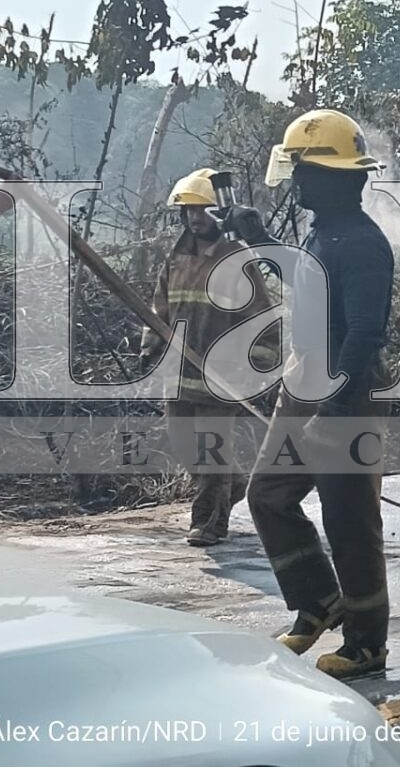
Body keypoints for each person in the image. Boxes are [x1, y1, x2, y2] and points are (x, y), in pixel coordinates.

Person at [222, 109, 394, 680]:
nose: (294, 181)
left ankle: (367, 643)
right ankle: (319, 601)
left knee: (348, 518)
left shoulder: (364, 245)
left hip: (340, 391)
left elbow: (366, 332)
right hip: (304, 379)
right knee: (267, 495)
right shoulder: (323, 231)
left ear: (335, 177)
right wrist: (257, 239)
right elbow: (306, 285)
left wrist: (335, 406)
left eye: (301, 170)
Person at [140, 168, 279, 547]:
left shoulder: (237, 258)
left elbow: (263, 319)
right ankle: (233, 485)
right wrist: (149, 348)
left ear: (220, 212)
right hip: (179, 375)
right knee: (186, 448)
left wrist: (255, 368)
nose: (195, 218)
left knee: (211, 452)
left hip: (222, 379)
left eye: (202, 210)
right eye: (188, 211)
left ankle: (208, 524)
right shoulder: (178, 256)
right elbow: (160, 307)